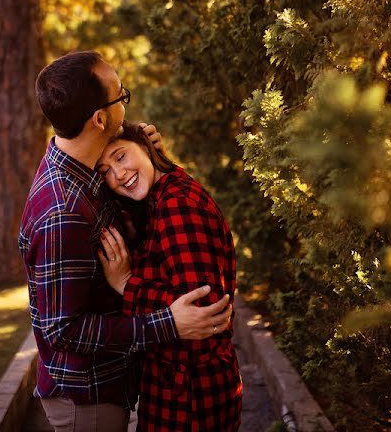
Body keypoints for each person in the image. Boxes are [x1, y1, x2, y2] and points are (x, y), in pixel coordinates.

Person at [19, 51, 232, 432]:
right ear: (100, 119)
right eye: (121, 96)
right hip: (88, 397)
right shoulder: (63, 213)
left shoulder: (84, 170)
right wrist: (165, 323)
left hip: (114, 384)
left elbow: (153, 231)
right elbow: (63, 330)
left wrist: (147, 154)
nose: (126, 105)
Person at [97, 121, 243, 432]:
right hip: (184, 390)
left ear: (146, 148)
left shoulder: (177, 204)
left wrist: (126, 285)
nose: (118, 175)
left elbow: (204, 310)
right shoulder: (163, 197)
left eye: (121, 157)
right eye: (105, 171)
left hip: (190, 398)